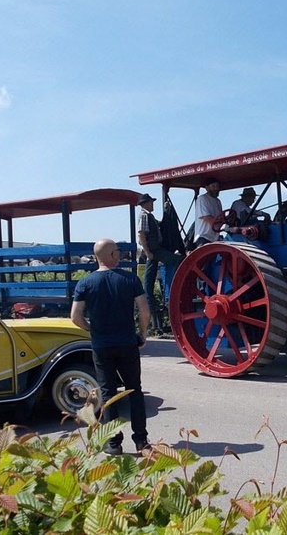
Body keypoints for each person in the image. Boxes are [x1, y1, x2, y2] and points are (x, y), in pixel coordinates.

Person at [70, 238, 151, 456]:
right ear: (113, 255)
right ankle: (141, 441)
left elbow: (75, 317)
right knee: (134, 390)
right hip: (127, 343)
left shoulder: (85, 283)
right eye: (118, 251)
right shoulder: (130, 279)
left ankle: (114, 443)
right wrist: (142, 334)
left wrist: (92, 329)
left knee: (108, 393)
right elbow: (144, 311)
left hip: (101, 345)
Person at [136, 193, 183, 332]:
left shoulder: (149, 216)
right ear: (145, 204)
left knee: (148, 281)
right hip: (154, 250)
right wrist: (148, 252)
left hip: (155, 250)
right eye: (151, 202)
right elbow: (142, 235)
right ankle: (172, 288)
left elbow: (159, 226)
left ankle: (154, 303)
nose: (152, 205)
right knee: (177, 260)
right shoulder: (144, 216)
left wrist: (167, 211)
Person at [193, 176, 223, 247]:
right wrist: (223, 226)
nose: (216, 188)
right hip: (204, 238)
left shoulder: (218, 201)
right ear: (207, 188)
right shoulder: (202, 199)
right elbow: (208, 218)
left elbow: (221, 217)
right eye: (213, 186)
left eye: (217, 186)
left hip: (215, 238)